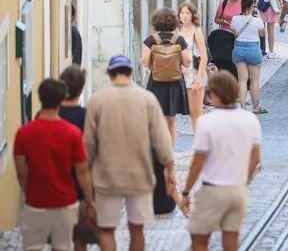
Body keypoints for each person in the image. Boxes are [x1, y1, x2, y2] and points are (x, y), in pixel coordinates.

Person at [84, 55, 176, 251]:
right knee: (137, 229)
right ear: (130, 73)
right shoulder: (147, 99)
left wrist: (87, 175)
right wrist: (169, 169)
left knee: (107, 229)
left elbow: (88, 144)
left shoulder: (98, 100)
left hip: (107, 176)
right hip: (139, 175)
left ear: (109, 74)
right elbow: (162, 139)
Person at [181, 71, 262, 251]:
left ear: (215, 95)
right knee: (231, 242)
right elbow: (256, 158)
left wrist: (186, 191)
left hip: (213, 190)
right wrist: (245, 179)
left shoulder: (206, 122)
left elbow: (198, 161)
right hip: (237, 191)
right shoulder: (250, 120)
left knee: (199, 240)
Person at [14, 78, 96, 251]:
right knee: (63, 247)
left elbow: (21, 171)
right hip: (65, 203)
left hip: (36, 202)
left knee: (32, 247)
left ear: (40, 98)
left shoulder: (24, 133)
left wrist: (28, 191)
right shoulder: (72, 134)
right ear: (61, 100)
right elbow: (82, 171)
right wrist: (89, 200)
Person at [142, 7, 192, 148]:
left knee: (158, 119)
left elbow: (145, 62)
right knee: (171, 120)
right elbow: (187, 62)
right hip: (175, 83)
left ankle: (159, 151)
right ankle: (170, 152)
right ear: (175, 22)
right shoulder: (179, 40)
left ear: (155, 22)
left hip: (156, 83)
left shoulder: (151, 40)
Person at [59, 66, 96, 251]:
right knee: (80, 240)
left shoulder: (49, 116)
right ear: (81, 90)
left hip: (55, 188)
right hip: (81, 189)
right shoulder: (87, 117)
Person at [231, 0, 267, 114]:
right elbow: (262, 34)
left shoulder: (235, 19)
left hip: (239, 49)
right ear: (252, 5)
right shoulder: (257, 20)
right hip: (253, 49)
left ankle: (242, 108)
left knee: (242, 80)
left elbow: (234, 33)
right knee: (254, 80)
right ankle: (256, 107)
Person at [178, 2, 208, 132]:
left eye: (187, 13)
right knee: (190, 111)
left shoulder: (197, 31)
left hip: (195, 73)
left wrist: (198, 79)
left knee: (197, 112)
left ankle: (200, 145)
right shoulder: (177, 31)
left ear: (192, 15)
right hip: (182, 75)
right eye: (182, 13)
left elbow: (204, 57)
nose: (184, 16)